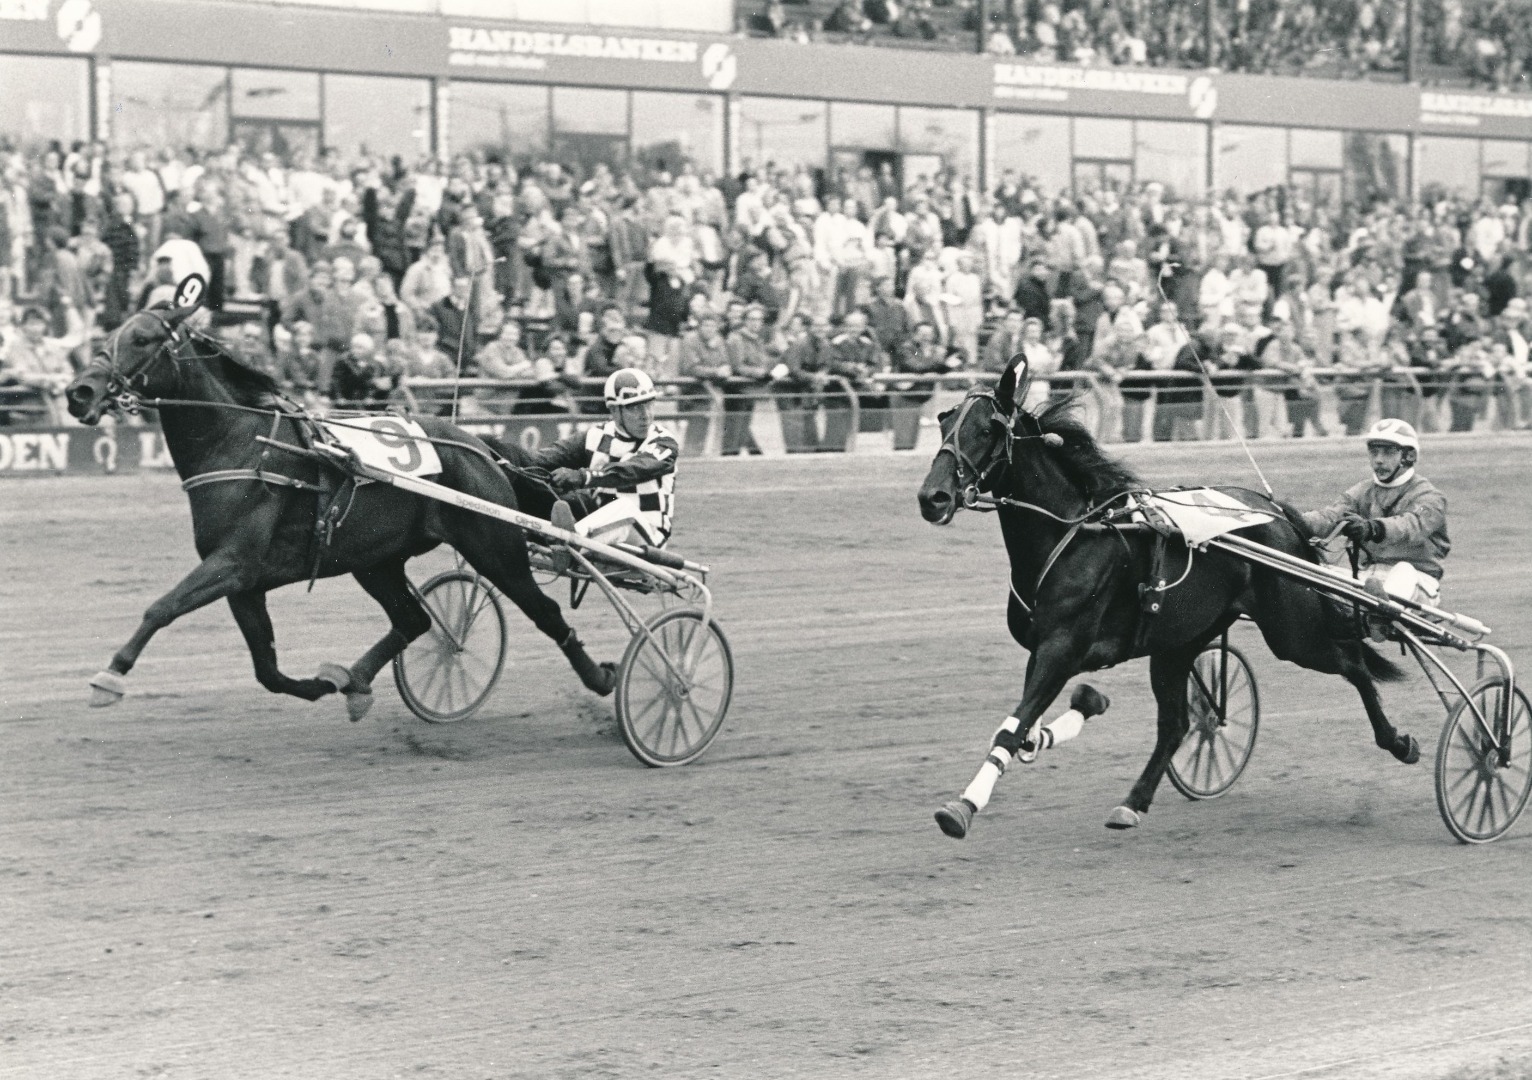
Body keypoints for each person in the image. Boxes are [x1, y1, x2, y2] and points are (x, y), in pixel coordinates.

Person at [1300, 419, 1450, 612]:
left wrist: (1372, 528)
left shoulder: (1430, 497)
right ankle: (1372, 614)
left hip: (1418, 583)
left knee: (1404, 570)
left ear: (1409, 456)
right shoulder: (1362, 491)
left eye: (1388, 452)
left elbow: (1410, 526)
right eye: (1374, 452)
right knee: (1314, 571)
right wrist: (1289, 518)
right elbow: (1329, 517)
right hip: (1367, 581)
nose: (1378, 460)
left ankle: (1380, 616)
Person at [532, 367, 679, 550]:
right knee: (563, 497)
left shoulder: (664, 442)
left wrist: (584, 476)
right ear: (615, 411)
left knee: (624, 507)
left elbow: (632, 470)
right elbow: (541, 459)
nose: (646, 415)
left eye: (649, 405)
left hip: (648, 539)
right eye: (635, 407)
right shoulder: (594, 436)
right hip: (602, 535)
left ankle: (568, 543)